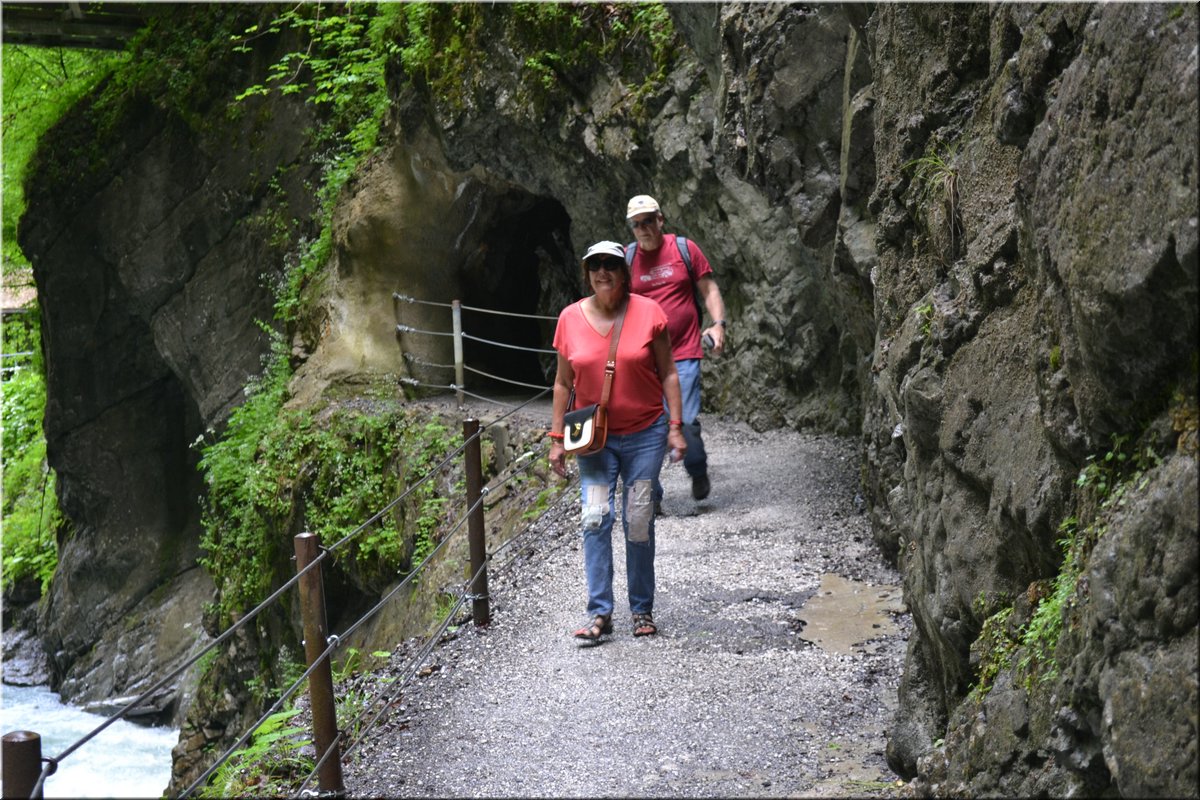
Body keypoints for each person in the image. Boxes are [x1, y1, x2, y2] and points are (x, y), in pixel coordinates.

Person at [548, 240, 687, 642]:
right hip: (594, 442)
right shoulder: (570, 319)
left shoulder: (649, 313)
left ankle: (641, 609)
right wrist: (557, 439)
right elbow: (562, 382)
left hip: (645, 435)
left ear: (625, 271)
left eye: (611, 264)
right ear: (587, 273)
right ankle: (599, 614)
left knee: (638, 519)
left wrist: (675, 425)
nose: (602, 272)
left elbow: (669, 374)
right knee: (595, 519)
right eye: (595, 265)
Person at [624, 194, 727, 502]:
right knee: (647, 429)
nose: (643, 228)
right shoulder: (627, 260)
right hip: (643, 360)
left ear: (660, 219)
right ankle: (651, 495)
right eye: (636, 224)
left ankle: (697, 469)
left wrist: (718, 324)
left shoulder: (684, 249)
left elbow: (708, 289)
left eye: (648, 221)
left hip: (683, 352)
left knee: (685, 421)